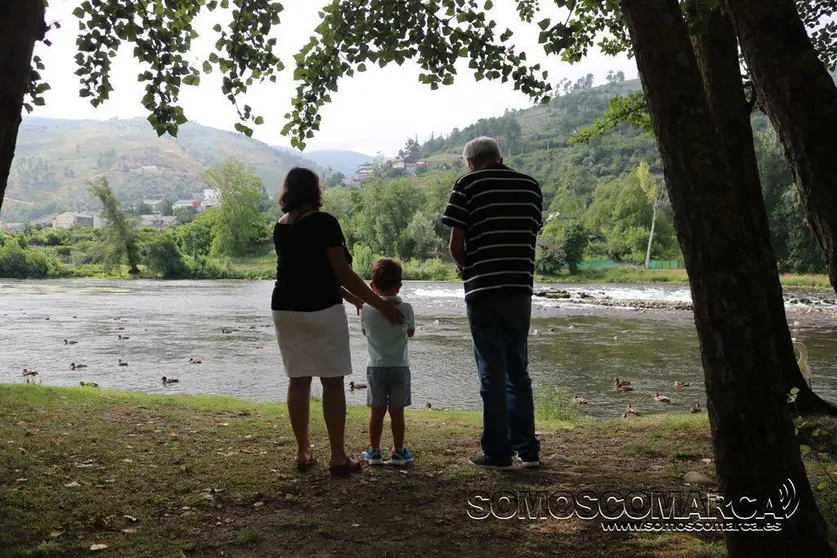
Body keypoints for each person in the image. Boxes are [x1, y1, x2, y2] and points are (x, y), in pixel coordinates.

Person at [272, 167, 404, 477]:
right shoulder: (325, 222)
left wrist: (351, 297)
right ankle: (338, 456)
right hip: (320, 309)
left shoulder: (281, 227)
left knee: (298, 379)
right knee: (332, 382)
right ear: (315, 190)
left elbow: (308, 271)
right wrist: (380, 305)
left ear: (288, 191)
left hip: (284, 308)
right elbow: (341, 272)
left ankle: (303, 451)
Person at [441, 137, 543, 470]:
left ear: (471, 161)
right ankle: (528, 450)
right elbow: (529, 235)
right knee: (518, 369)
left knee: (491, 371)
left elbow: (456, 243)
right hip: (519, 287)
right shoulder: (530, 186)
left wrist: (464, 267)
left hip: (483, 288)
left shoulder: (467, 184)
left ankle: (498, 454)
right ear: (500, 157)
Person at [359, 258, 416, 466]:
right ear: (399, 286)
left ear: (372, 286)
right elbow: (410, 332)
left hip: (375, 367)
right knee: (397, 412)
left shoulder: (366, 308)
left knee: (377, 412)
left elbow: (365, 332)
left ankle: (374, 452)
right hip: (400, 367)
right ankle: (399, 451)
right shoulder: (407, 308)